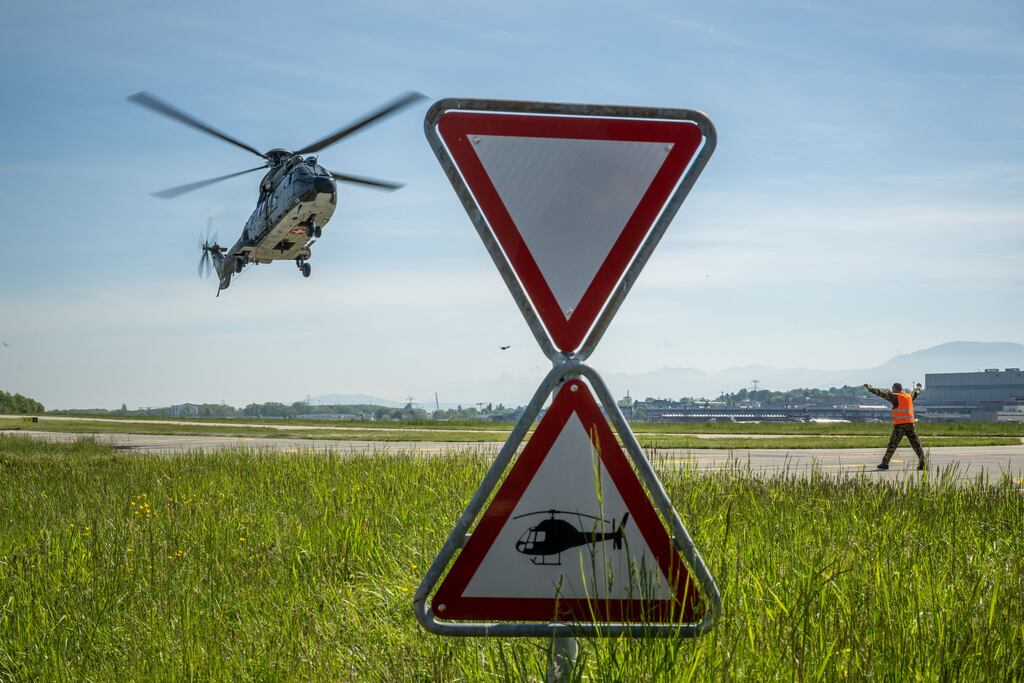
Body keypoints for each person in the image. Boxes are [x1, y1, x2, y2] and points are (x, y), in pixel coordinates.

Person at [863, 382, 926, 471]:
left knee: (892, 444)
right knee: (916, 444)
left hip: (900, 426)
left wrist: (870, 388)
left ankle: (885, 463)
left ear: (895, 388)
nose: (892, 389)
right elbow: (916, 392)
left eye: (892, 388)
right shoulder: (908, 396)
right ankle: (922, 462)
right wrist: (919, 386)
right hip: (910, 425)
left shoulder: (896, 397)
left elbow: (882, 393)